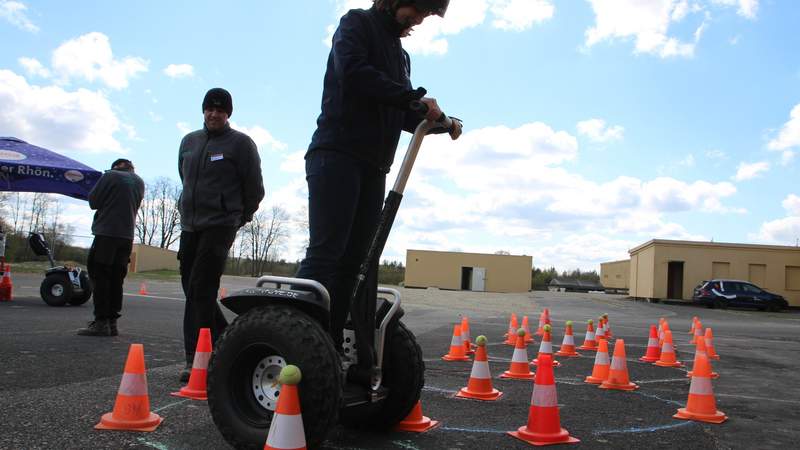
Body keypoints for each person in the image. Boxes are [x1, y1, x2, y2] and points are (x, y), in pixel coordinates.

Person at [295, 0, 462, 382]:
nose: (418, 19)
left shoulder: (401, 56)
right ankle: (297, 343)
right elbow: (354, 73)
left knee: (355, 262)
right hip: (336, 153)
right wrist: (413, 100)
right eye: (417, 10)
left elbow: (397, 110)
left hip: (374, 165)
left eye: (425, 16)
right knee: (327, 254)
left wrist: (432, 120)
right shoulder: (356, 24)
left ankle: (328, 347)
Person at [177, 87, 265, 381]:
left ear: (228, 113)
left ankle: (196, 359)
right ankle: (225, 339)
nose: (214, 114)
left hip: (220, 223)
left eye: (220, 110)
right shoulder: (189, 142)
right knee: (191, 286)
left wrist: (239, 217)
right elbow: (185, 176)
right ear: (203, 111)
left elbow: (254, 187)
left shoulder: (240, 144)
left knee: (201, 287)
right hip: (191, 223)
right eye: (209, 109)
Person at [77, 158, 144, 336]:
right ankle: (112, 322)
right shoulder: (139, 181)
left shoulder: (110, 176)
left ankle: (101, 323)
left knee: (99, 277)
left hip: (107, 233)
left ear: (116, 166)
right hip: (126, 236)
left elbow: (93, 201)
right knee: (116, 279)